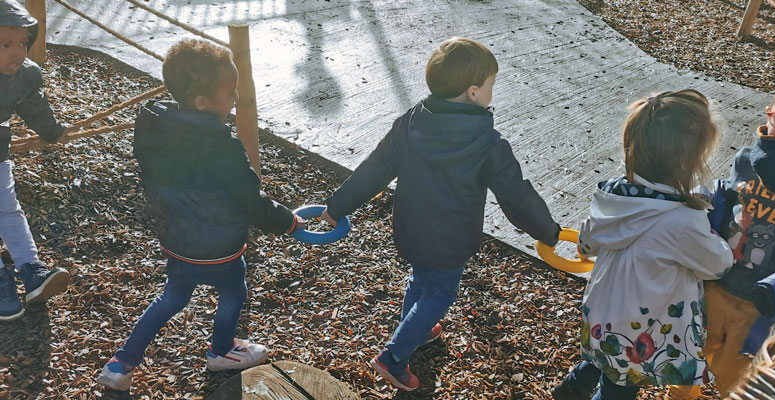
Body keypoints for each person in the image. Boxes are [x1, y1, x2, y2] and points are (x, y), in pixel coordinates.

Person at [321, 36, 561, 391]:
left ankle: (414, 325)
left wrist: (336, 207)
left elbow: (374, 169)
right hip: (451, 239)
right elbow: (518, 197)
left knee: (421, 277)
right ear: (474, 92)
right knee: (440, 293)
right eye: (492, 85)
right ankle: (394, 356)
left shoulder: (410, 122)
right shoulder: (488, 145)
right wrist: (548, 231)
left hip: (410, 229)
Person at [97, 39, 304, 391]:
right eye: (230, 92)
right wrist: (287, 221)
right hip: (219, 244)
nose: (236, 99)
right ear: (203, 103)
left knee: (172, 297)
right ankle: (221, 350)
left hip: (175, 237)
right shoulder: (221, 147)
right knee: (234, 291)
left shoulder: (155, 128)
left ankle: (121, 363)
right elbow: (250, 200)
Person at [552, 90, 733, 400]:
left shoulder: (613, 193)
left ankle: (571, 389)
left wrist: (584, 246)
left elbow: (587, 243)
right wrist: (719, 235)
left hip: (601, 311)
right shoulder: (683, 220)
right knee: (619, 389)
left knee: (600, 356)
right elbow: (718, 264)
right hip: (638, 328)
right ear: (686, 160)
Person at [666, 88, 775, 399]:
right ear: (768, 115)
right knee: (692, 357)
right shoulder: (745, 159)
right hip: (719, 283)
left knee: (735, 374)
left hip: (758, 306)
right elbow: (725, 196)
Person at [0, 0, 74, 321]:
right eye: (5, 44)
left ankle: (31, 269)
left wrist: (53, 131)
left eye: (22, 43)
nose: (17, 52)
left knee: (8, 209)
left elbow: (35, 108)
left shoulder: (24, 75)